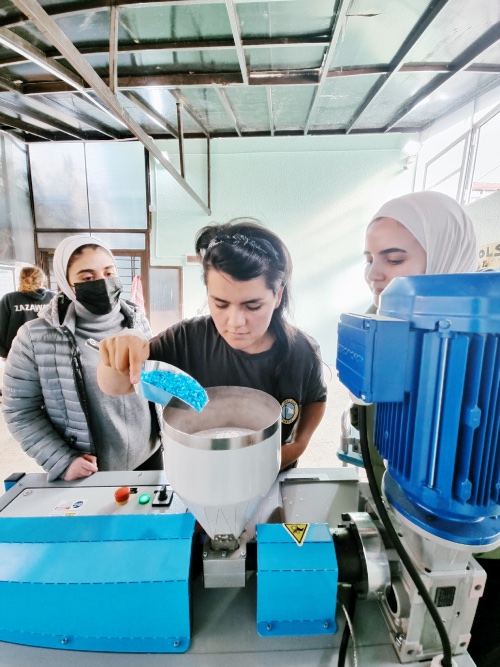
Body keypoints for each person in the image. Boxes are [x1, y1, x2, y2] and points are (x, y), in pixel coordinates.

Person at [357, 191, 497, 667]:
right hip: (404, 521)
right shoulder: (390, 328)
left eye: (394, 258)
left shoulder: (485, 340)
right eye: (370, 258)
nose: (375, 273)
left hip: (476, 559)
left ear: (445, 252)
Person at [97, 219, 327, 470]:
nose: (235, 322)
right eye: (220, 304)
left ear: (278, 295)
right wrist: (127, 345)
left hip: (272, 476)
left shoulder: (302, 352)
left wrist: (298, 444)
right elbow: (117, 385)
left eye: (253, 306)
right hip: (202, 476)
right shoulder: (187, 340)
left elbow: (316, 397)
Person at [2, 235, 162, 482]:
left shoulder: (136, 318)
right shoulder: (35, 337)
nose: (102, 283)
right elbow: (20, 410)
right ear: (67, 284)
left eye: (109, 273)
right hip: (90, 469)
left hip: (150, 456)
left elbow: (152, 379)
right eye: (87, 278)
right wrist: (62, 460)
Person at [0, 266, 54, 360]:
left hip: (17, 352)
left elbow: (2, 326)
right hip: (50, 350)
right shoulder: (53, 298)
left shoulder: (9, 299)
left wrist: (4, 352)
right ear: (41, 281)